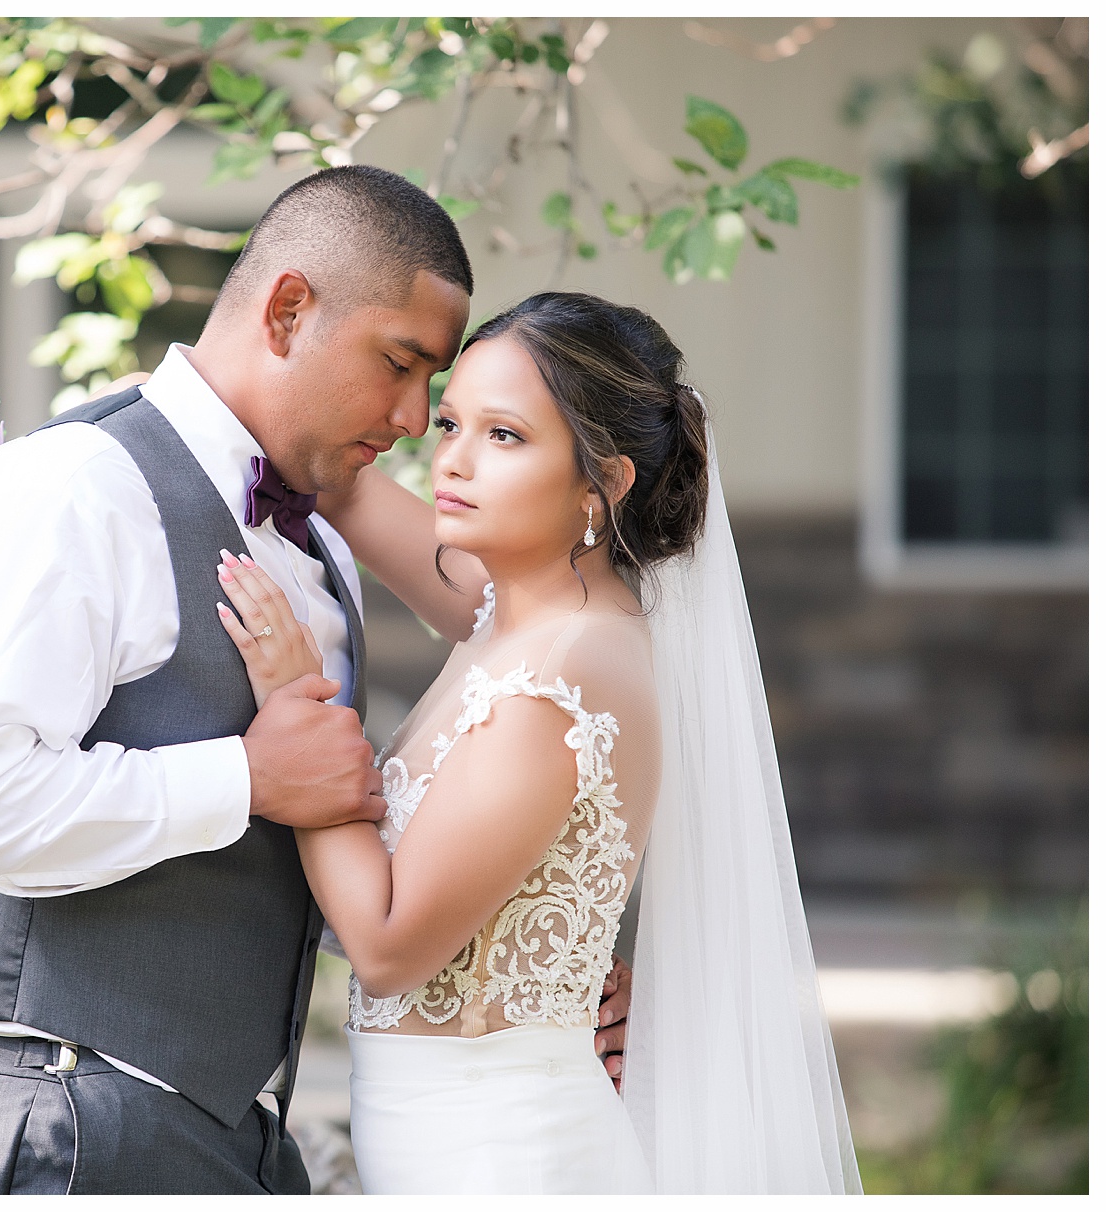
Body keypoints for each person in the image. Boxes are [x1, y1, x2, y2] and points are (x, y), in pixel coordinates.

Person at [0, 169, 633, 1194]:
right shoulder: (74, 488)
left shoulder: (320, 541)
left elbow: (300, 859)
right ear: (288, 310)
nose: (416, 420)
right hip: (60, 1117)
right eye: (401, 365)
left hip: (230, 1137)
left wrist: (532, 959)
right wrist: (242, 777)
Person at [213, 291, 862, 1194]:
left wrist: (297, 709)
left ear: (606, 480)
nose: (454, 461)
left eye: (506, 436)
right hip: (453, 1134)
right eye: (450, 423)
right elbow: (347, 484)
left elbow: (391, 944)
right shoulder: (516, 616)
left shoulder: (558, 679)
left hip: (507, 1157)